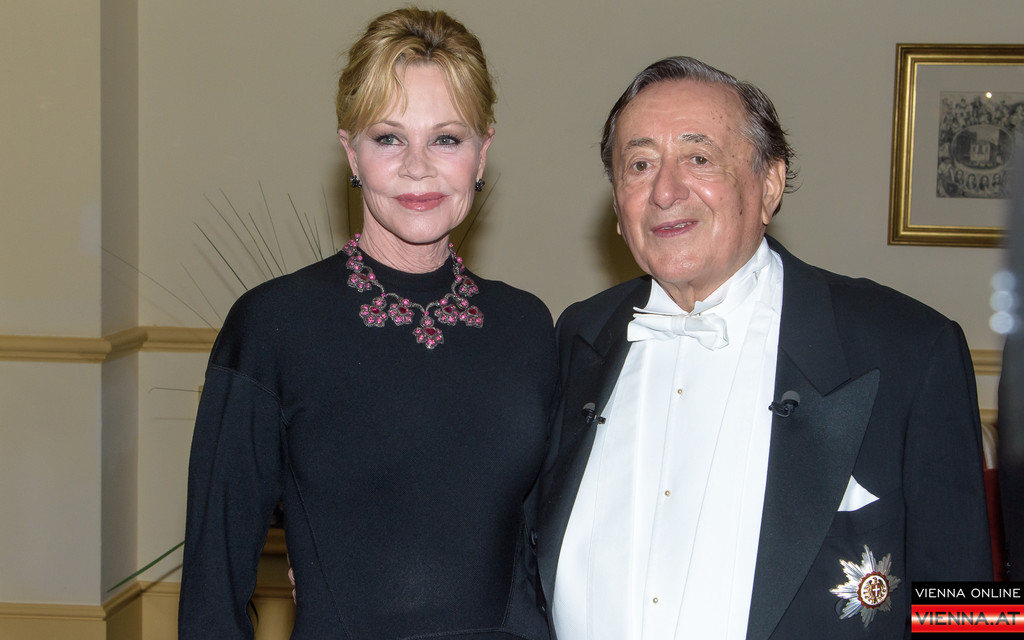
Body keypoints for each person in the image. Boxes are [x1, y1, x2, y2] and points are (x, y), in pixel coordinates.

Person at [526, 56, 991, 639]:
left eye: (698, 158)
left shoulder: (909, 348)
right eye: (639, 165)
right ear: (618, 206)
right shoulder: (577, 337)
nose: (665, 191)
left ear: (769, 184)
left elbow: (971, 611)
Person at [178, 8, 556, 639]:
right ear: (350, 152)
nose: (417, 167)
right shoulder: (273, 327)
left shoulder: (528, 327)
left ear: (482, 152)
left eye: (446, 139)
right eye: (388, 138)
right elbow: (213, 592)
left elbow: (548, 548)